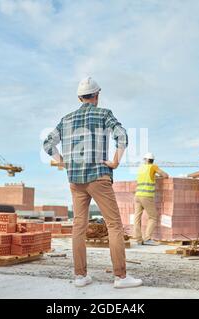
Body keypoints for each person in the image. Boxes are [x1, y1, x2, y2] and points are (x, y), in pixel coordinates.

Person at [43, 77, 143, 289]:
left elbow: (47, 143)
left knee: (79, 226)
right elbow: (122, 135)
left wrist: (63, 163)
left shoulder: (66, 119)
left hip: (76, 180)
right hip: (99, 176)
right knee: (114, 225)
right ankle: (121, 277)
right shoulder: (104, 113)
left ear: (80, 97)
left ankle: (80, 276)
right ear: (97, 95)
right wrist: (115, 160)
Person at [134, 152, 169, 245]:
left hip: (137, 195)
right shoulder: (153, 167)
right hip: (146, 196)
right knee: (153, 217)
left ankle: (138, 239)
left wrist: (154, 176)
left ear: (145, 159)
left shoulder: (141, 168)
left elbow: (147, 177)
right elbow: (165, 175)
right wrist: (158, 176)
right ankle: (147, 238)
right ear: (152, 160)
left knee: (137, 218)